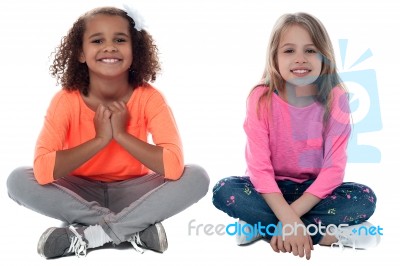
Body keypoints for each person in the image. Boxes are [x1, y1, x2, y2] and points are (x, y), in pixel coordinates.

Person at [7, 6, 209, 259]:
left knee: (197, 176)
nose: (110, 47)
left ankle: (91, 234)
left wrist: (122, 135)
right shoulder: (65, 101)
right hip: (78, 192)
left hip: (135, 192)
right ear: (81, 52)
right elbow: (43, 171)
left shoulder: (150, 99)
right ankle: (132, 228)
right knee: (17, 180)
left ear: (134, 51)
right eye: (98, 40)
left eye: (120, 40)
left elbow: (173, 167)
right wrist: (100, 139)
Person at [212, 12, 380, 260]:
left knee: (364, 198)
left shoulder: (336, 98)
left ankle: (263, 228)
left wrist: (289, 220)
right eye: (289, 51)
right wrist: (288, 218)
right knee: (224, 190)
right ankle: (326, 236)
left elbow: (333, 170)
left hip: (314, 194)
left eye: (310, 50)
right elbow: (259, 169)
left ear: (324, 56)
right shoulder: (260, 98)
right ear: (274, 58)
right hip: (269, 191)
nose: (300, 59)